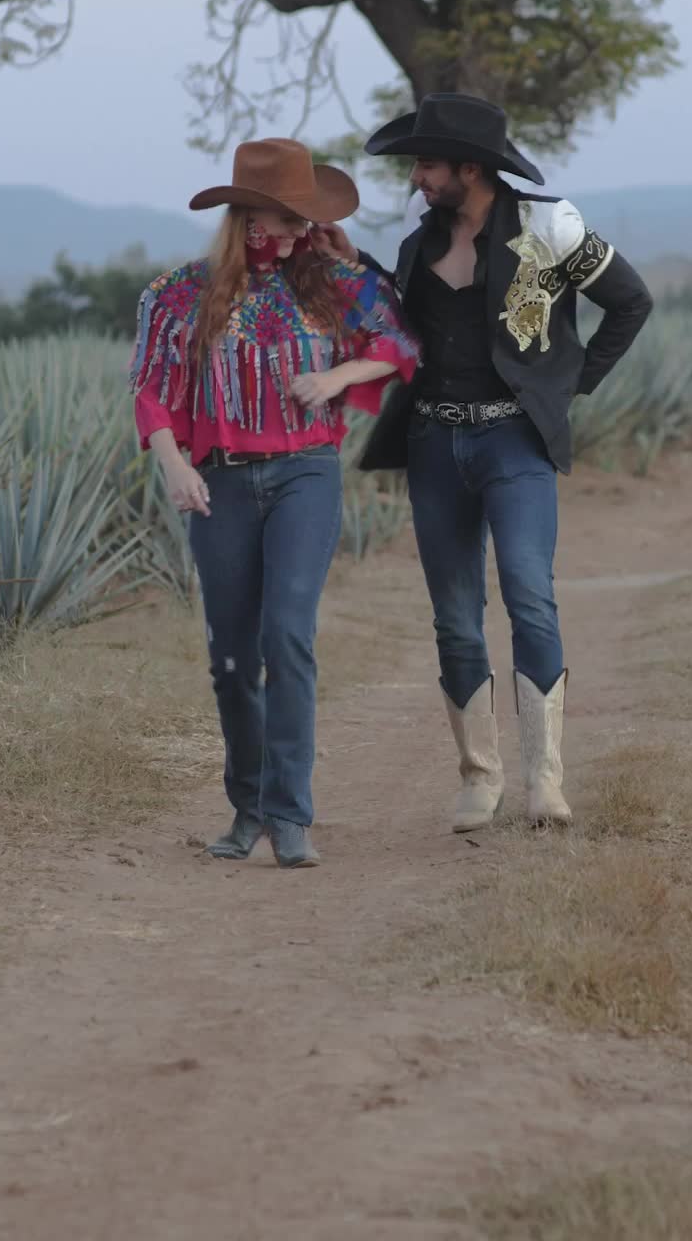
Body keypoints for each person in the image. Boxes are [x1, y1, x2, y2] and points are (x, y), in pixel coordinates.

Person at [321, 94, 653, 832]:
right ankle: (479, 778)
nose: (415, 178)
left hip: (515, 441)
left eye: (427, 164)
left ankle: (545, 780)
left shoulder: (550, 226)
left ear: (470, 167)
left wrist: (569, 385)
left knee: (530, 595)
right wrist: (353, 266)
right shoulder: (416, 248)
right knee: (454, 617)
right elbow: (399, 332)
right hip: (435, 443)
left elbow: (630, 301)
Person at [130, 138, 419, 868]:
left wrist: (334, 378)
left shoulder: (331, 283)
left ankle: (291, 815)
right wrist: (173, 465)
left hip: (304, 475)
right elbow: (151, 391)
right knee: (231, 656)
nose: (298, 232)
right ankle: (247, 807)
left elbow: (398, 344)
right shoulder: (176, 295)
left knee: (287, 635)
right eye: (287, 219)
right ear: (247, 217)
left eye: (304, 219)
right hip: (218, 482)